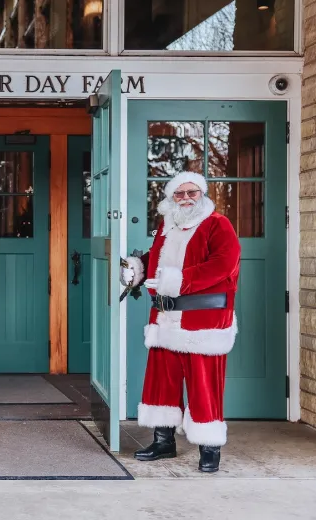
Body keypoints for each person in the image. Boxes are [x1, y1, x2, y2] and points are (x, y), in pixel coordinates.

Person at [121, 171, 240, 473]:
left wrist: (178, 280)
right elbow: (159, 260)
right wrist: (139, 268)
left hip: (203, 320)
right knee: (162, 381)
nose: (186, 198)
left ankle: (209, 448)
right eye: (179, 193)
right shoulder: (167, 226)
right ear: (171, 198)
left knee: (203, 385)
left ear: (202, 194)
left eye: (192, 192)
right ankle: (163, 441)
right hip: (165, 318)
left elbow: (224, 264)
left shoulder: (218, 224)